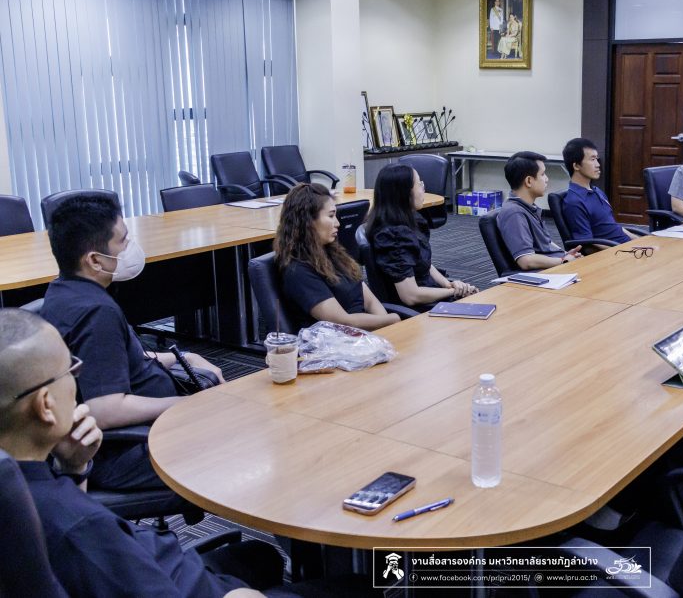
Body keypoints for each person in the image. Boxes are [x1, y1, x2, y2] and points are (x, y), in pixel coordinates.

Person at [0, 309, 281, 598]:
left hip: (150, 560)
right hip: (172, 579)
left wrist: (74, 468)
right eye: (71, 371)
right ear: (46, 405)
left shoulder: (23, 489)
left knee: (261, 557)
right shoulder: (80, 526)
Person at [40, 194, 223, 491]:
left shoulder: (65, 291)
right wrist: (188, 405)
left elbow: (112, 360)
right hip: (126, 452)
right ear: (95, 260)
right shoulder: (96, 313)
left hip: (133, 437)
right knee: (241, 438)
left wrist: (183, 356)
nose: (130, 247)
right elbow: (105, 409)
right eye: (123, 241)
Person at [275, 183, 399, 331]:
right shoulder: (298, 271)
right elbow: (344, 322)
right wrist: (392, 319)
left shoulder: (333, 254)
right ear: (308, 221)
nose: (338, 223)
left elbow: (370, 302)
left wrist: (386, 327)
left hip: (365, 335)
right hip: (337, 341)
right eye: (331, 216)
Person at [365, 164, 478, 310]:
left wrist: (448, 284)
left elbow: (423, 262)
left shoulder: (405, 221)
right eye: (419, 184)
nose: (423, 189)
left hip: (430, 295)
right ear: (404, 192)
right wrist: (452, 292)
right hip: (422, 310)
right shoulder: (394, 237)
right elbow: (411, 296)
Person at [495, 151, 582, 270]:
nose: (547, 179)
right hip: (546, 274)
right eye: (543, 174)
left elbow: (545, 245)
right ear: (529, 181)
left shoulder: (529, 208)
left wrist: (565, 254)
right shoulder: (514, 213)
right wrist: (563, 261)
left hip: (554, 267)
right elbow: (526, 261)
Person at [560, 137, 641, 248]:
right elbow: (587, 245)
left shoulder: (597, 191)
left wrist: (639, 241)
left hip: (629, 248)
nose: (598, 164)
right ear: (576, 166)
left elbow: (613, 227)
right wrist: (625, 250)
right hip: (616, 253)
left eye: (597, 159)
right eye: (592, 159)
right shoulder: (574, 202)